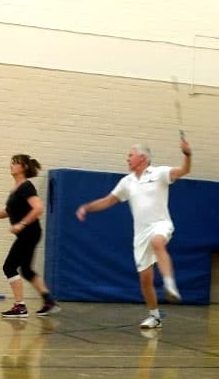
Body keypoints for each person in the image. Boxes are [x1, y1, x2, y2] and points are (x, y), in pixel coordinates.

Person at [75, 139, 192, 328]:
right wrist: (87, 207)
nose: (127, 158)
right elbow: (108, 201)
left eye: (130, 155)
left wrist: (187, 154)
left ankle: (170, 284)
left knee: (158, 242)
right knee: (145, 280)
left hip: (161, 224)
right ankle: (154, 317)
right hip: (140, 234)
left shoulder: (159, 173)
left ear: (142, 158)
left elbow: (184, 170)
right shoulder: (127, 182)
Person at [0, 154, 59, 318]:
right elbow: (8, 212)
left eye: (15, 163)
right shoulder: (16, 189)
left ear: (24, 167)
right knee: (26, 270)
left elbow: (38, 208)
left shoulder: (26, 186)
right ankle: (49, 302)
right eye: (11, 162)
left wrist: (22, 224)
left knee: (9, 267)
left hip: (29, 232)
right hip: (28, 233)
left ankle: (20, 306)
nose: (11, 165)